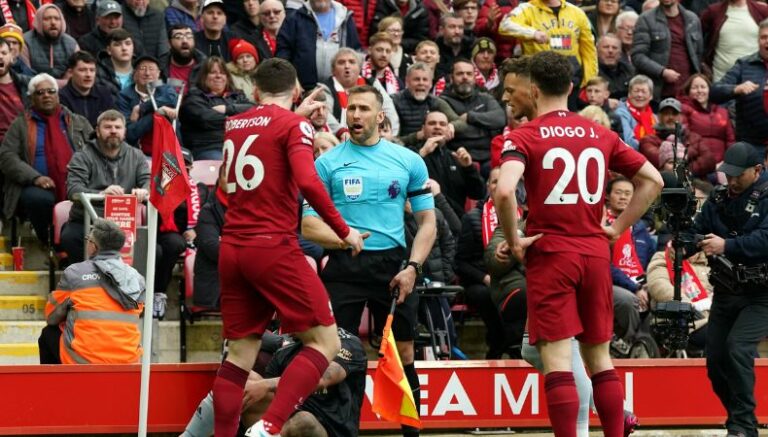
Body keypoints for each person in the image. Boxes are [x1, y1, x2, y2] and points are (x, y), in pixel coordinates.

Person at [495, 51, 662, 437]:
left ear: (533, 90)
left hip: (552, 253)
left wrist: (515, 239)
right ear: (571, 87)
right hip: (594, 254)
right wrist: (617, 227)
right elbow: (653, 180)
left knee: (557, 364)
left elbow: (504, 191)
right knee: (600, 360)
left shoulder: (524, 136)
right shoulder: (600, 133)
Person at [211, 58, 363, 437]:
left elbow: (229, 179)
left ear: (255, 90)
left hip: (233, 247)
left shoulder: (235, 124)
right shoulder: (296, 125)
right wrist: (344, 231)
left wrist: (294, 118)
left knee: (239, 355)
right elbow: (309, 182)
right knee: (326, 341)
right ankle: (269, 428)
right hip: (272, 246)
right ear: (295, 90)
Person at [302, 84, 436, 437]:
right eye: (351, 108)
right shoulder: (327, 163)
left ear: (380, 116)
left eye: (363, 109)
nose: (356, 115)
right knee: (339, 354)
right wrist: (343, 238)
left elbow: (428, 223)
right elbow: (306, 223)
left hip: (394, 268)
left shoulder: (408, 160)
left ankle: (411, 434)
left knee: (404, 353)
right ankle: (344, 432)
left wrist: (413, 268)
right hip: (344, 264)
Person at [692, 142, 768, 437]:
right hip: (725, 290)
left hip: (761, 294)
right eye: (728, 174)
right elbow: (697, 229)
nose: (732, 180)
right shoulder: (718, 197)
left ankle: (743, 426)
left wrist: (727, 245)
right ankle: (738, 419)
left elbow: (764, 239)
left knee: (738, 347)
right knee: (715, 361)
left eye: (738, 175)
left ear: (757, 170)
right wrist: (684, 242)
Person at [182, 328, 367, 437]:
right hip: (289, 420)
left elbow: (323, 377)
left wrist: (265, 385)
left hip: (332, 429)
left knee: (303, 422)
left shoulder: (345, 342)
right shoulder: (285, 352)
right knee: (237, 382)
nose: (284, 320)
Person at [0, 73, 92, 245]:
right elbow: (7, 157)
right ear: (31, 98)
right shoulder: (20, 124)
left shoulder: (77, 122)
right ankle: (50, 241)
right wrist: (35, 177)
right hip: (34, 185)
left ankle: (73, 242)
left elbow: (94, 150)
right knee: (38, 199)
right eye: (40, 93)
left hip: (77, 182)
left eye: (51, 91)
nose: (46, 96)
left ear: (58, 95)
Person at [39, 219, 145, 364]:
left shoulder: (75, 273)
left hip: (84, 362)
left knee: (48, 334)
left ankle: (58, 380)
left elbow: (51, 316)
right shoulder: (137, 279)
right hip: (128, 361)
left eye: (88, 239)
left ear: (93, 246)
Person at [60, 110, 149, 264]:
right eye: (107, 127)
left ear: (124, 132)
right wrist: (101, 193)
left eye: (117, 127)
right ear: (98, 131)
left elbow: (148, 181)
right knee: (70, 237)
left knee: (155, 250)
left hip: (124, 223)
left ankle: (132, 281)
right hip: (87, 221)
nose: (113, 131)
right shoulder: (82, 156)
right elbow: (73, 190)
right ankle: (86, 277)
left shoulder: (137, 155)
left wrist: (144, 190)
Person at [409, 110, 485, 217]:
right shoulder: (412, 154)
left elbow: (478, 194)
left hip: (457, 220)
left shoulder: (456, 157)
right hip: (425, 217)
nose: (437, 127)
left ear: (448, 130)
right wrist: (422, 153)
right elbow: (401, 181)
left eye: (442, 124)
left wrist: (468, 167)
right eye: (432, 123)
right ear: (423, 129)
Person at [276, 0, 361, 90]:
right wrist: (292, 82)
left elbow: (355, 52)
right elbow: (283, 56)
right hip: (303, 90)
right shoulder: (294, 19)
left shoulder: (345, 17)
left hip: (339, 90)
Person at [710, 19, 768, 152]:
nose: (767, 41)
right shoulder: (744, 65)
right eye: (763, 37)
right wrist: (736, 89)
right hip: (752, 145)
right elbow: (714, 92)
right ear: (757, 40)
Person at [179, 56, 252, 160]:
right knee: (226, 162)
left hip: (239, 146)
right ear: (203, 76)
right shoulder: (193, 98)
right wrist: (240, 119)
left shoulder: (237, 95)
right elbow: (206, 119)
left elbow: (253, 109)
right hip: (208, 148)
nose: (218, 76)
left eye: (222, 73)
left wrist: (227, 109)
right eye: (213, 72)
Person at [631, 0, 703, 100]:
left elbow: (699, 54)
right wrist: (662, 72)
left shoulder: (692, 19)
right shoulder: (646, 19)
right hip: (659, 91)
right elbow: (637, 56)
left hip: (688, 90)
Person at [117, 55, 180, 153]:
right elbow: (130, 132)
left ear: (158, 74)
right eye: (143, 68)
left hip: (168, 151)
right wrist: (158, 113)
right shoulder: (124, 96)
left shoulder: (166, 89)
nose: (147, 73)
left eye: (151, 69)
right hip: (137, 152)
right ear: (134, 74)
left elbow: (172, 100)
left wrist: (141, 108)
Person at [679, 73, 735, 166]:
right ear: (688, 91)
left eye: (703, 87)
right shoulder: (683, 109)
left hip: (723, 165)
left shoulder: (723, 112)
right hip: (697, 164)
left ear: (710, 91)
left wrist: (727, 162)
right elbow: (685, 138)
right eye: (695, 88)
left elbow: (730, 140)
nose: (699, 90)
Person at [22, 4, 80, 82]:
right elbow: (25, 75)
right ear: (38, 21)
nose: (53, 22)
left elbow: (76, 74)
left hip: (66, 88)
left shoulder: (71, 44)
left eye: (57, 19)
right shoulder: (26, 41)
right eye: (47, 19)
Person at [60, 51, 115, 128]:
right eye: (82, 70)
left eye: (92, 70)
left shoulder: (104, 93)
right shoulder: (62, 97)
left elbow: (112, 121)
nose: (88, 75)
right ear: (71, 72)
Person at [159, 24, 207, 93]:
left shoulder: (206, 66)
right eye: (178, 37)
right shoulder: (160, 67)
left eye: (189, 36)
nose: (185, 41)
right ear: (169, 43)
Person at [226, 38, 259, 103]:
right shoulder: (230, 78)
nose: (245, 60)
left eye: (248, 56)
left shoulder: (262, 75)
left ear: (255, 59)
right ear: (235, 62)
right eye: (240, 57)